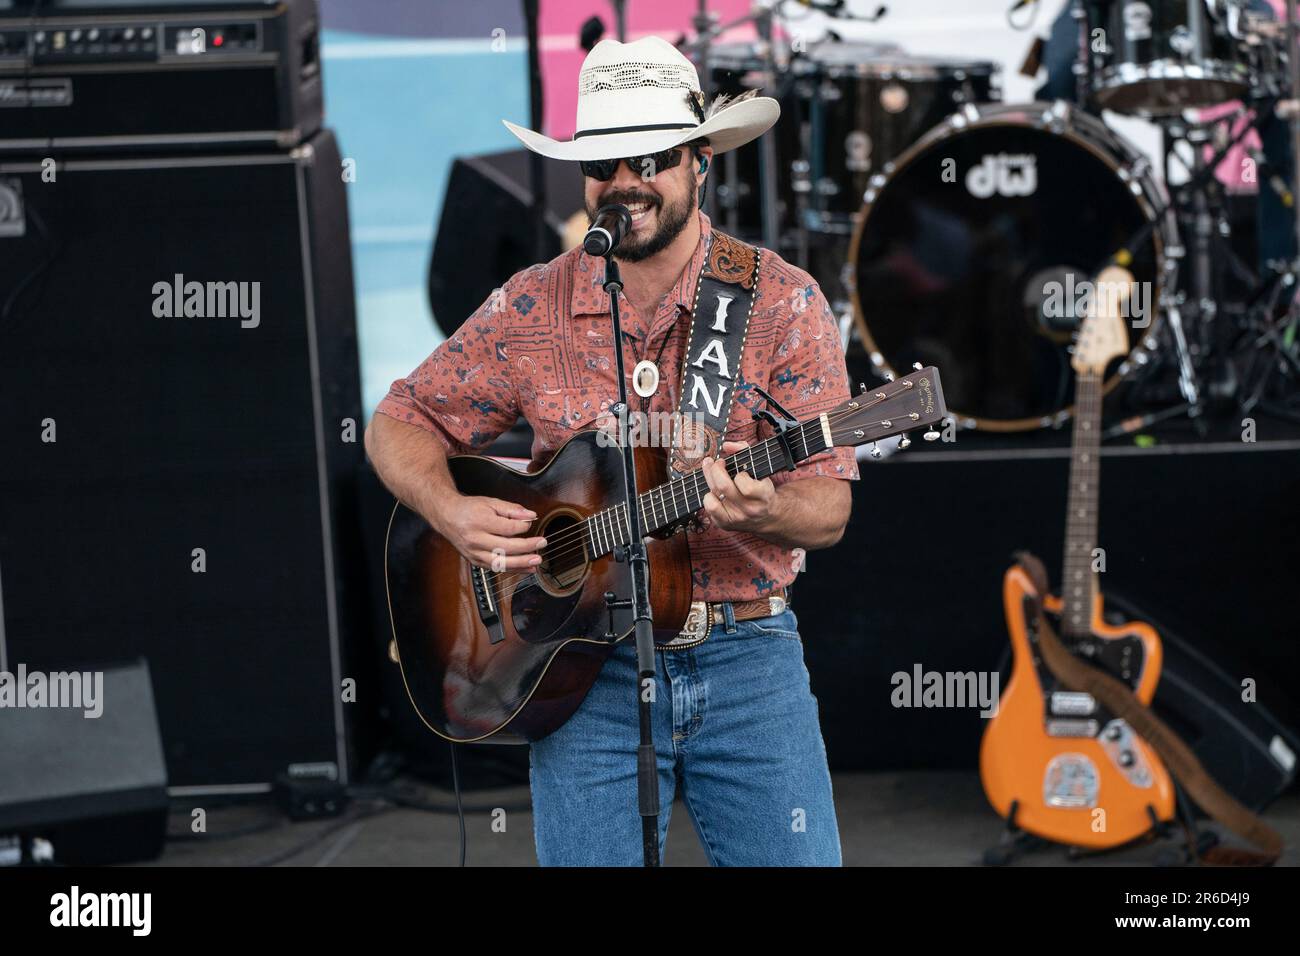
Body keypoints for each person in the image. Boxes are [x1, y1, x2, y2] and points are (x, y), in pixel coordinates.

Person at [365, 36, 859, 866]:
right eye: (602, 165)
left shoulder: (781, 301)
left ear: (700, 160)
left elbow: (832, 506)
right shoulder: (532, 302)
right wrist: (450, 510)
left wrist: (770, 507)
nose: (624, 182)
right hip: (577, 672)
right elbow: (399, 418)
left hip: (746, 661)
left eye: (651, 157)